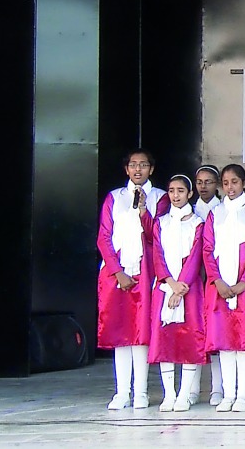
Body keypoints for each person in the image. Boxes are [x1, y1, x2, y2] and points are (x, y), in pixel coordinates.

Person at [97, 149, 169, 410]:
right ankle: (121, 392)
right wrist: (117, 271)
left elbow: (156, 235)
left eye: (144, 165)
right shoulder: (114, 197)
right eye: (133, 165)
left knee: (141, 332)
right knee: (120, 332)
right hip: (117, 272)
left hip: (145, 271)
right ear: (126, 169)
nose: (138, 170)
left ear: (151, 169)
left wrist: (142, 211)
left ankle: (140, 391)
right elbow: (104, 236)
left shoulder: (160, 198)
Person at [201, 164, 245, 412]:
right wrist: (217, 280)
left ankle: (243, 394)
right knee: (225, 340)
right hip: (219, 286)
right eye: (226, 183)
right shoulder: (215, 213)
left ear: (243, 183)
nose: (230, 187)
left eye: (235, 182)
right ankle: (228, 393)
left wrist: (244, 282)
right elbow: (207, 250)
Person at [148, 175, 206, 412]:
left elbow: (195, 257)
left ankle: (184, 394)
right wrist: (170, 283)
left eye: (180, 190)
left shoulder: (198, 223)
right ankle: (169, 394)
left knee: (188, 339)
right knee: (166, 340)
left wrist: (181, 287)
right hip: (164, 288)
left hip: (189, 290)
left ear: (189, 193)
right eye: (171, 190)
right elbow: (157, 256)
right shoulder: (160, 223)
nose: (175, 195)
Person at [193, 164, 222, 405]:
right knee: (195, 334)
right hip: (192, 281)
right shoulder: (190, 210)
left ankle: (218, 388)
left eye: (209, 182)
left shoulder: (221, 211)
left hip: (214, 280)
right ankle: (192, 389)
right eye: (200, 182)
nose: (204, 186)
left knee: (218, 336)